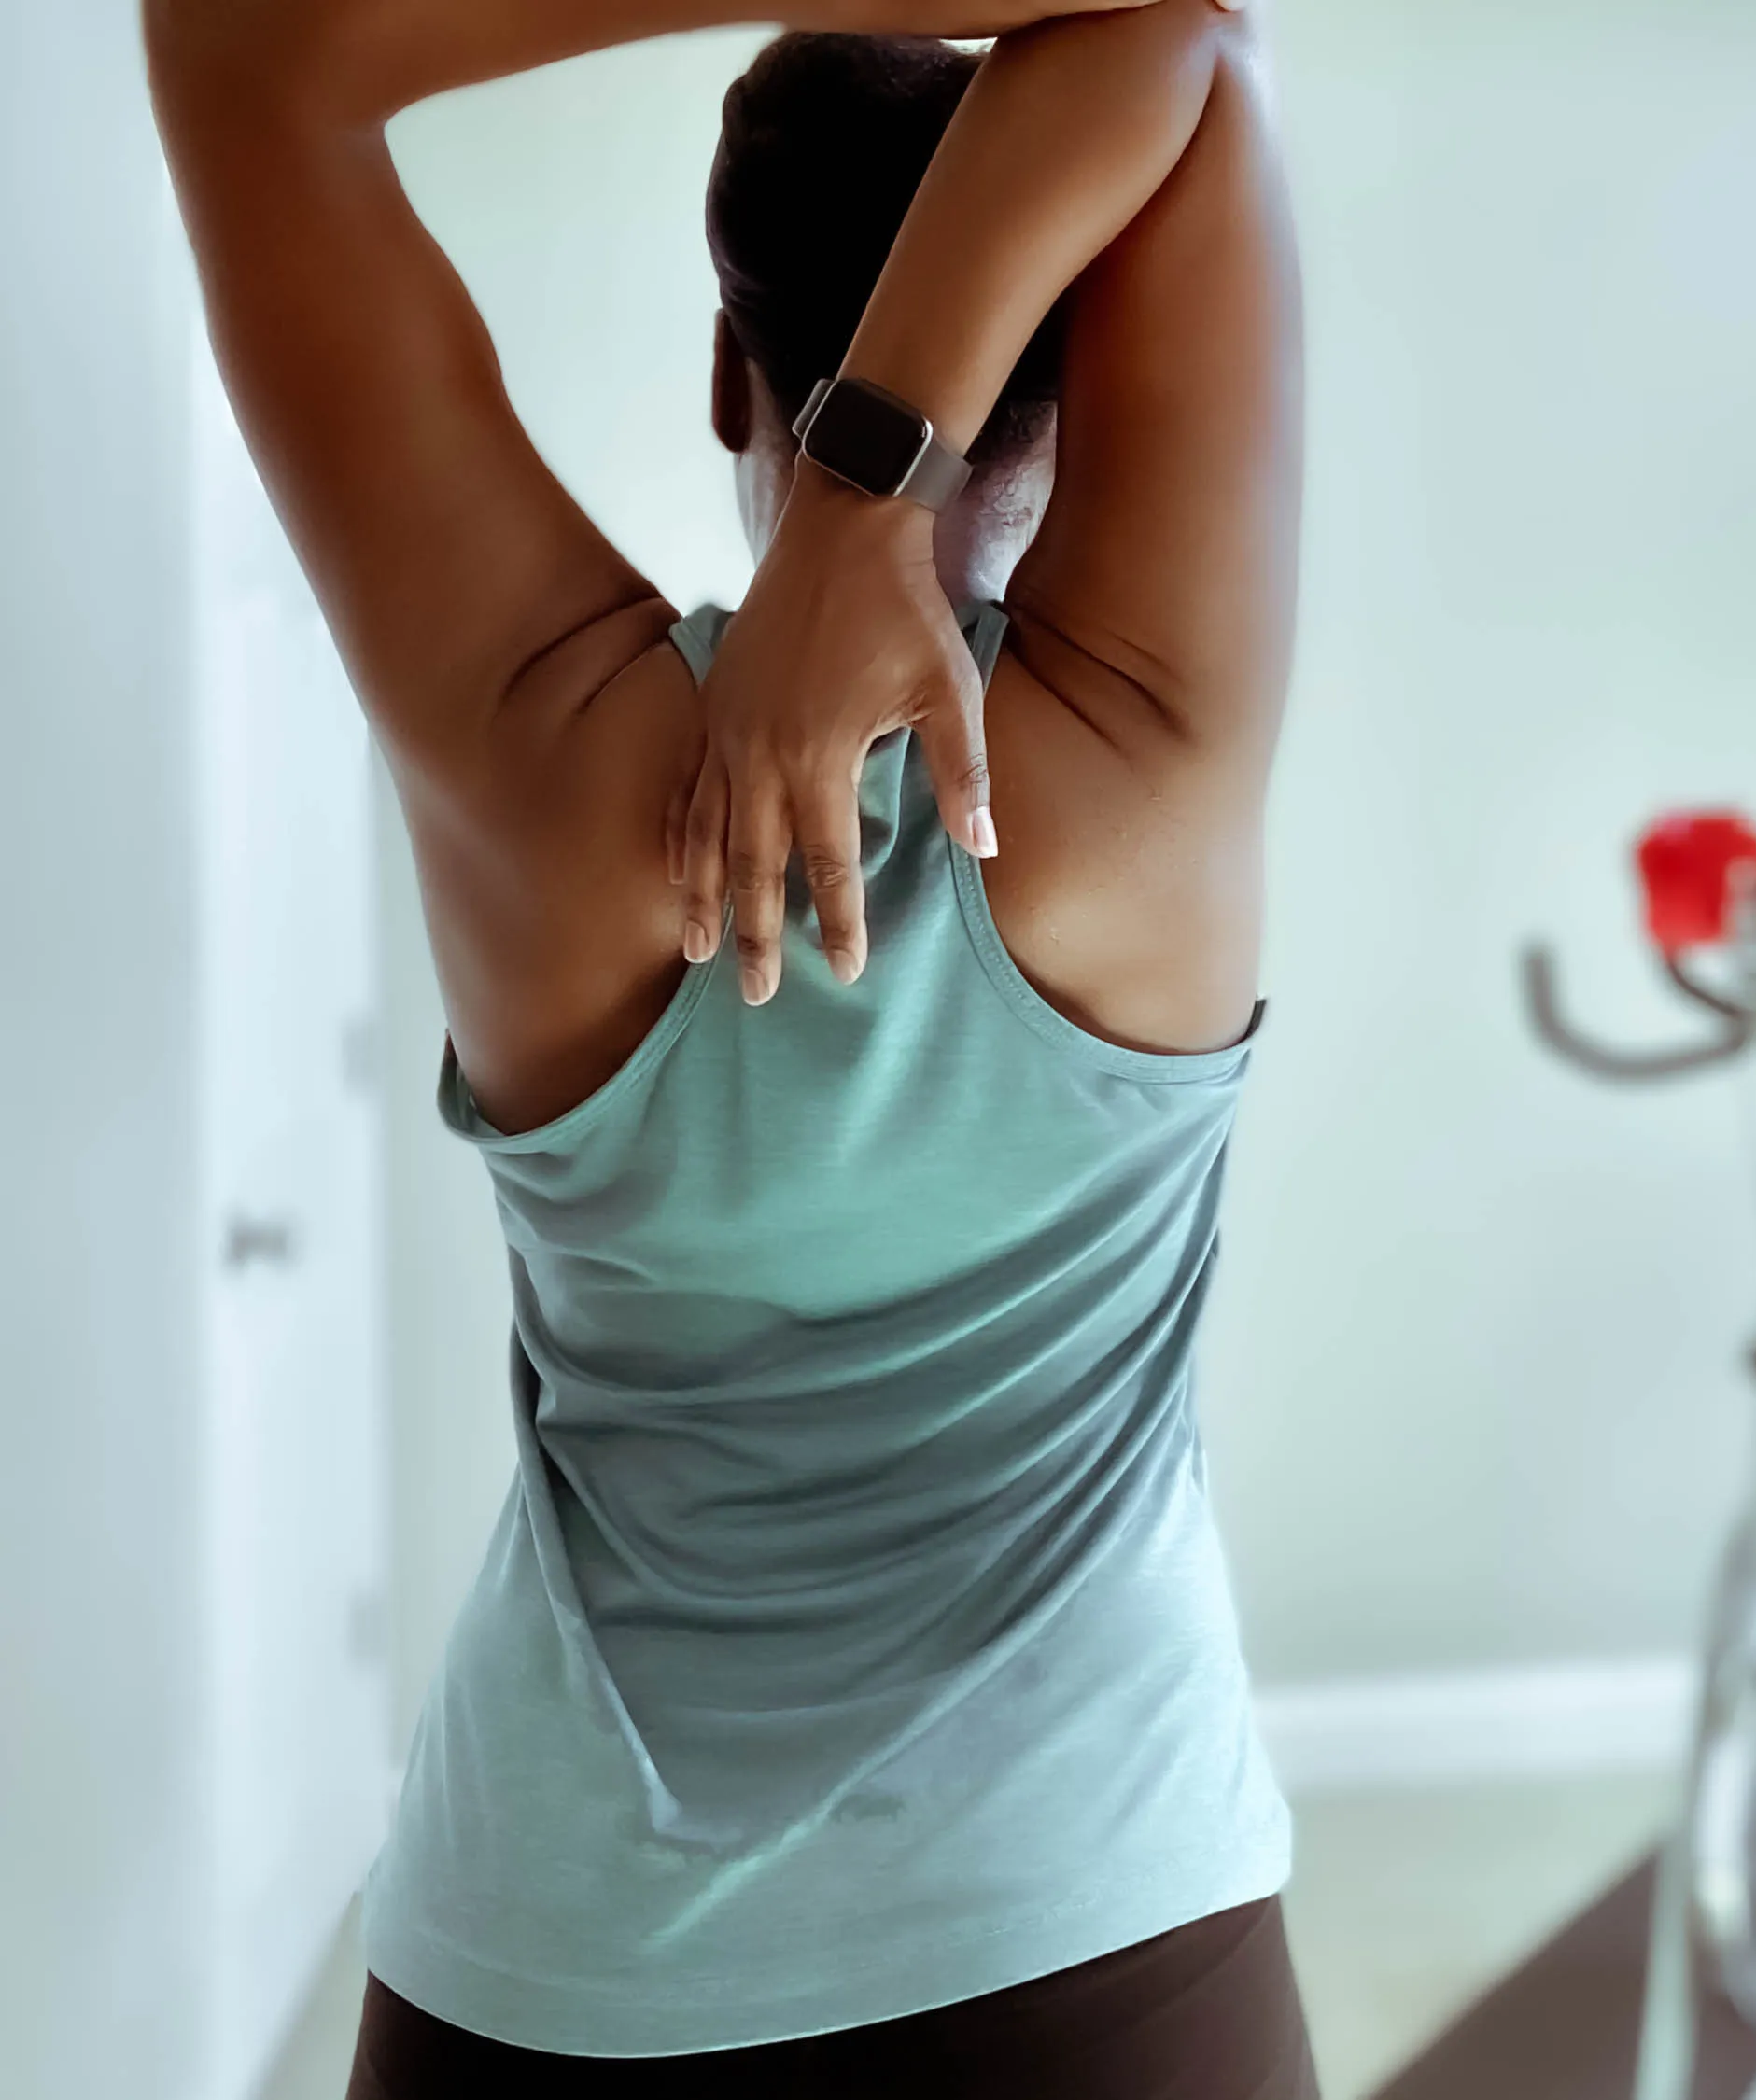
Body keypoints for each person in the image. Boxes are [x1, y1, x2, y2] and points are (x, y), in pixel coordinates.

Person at [147, 0, 1309, 2089]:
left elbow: (243, 54)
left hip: (555, 1958)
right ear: (1075, 382)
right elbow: (1185, 40)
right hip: (1091, 1908)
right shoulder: (1146, 769)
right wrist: (884, 487)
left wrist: (842, 494)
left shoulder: (553, 774)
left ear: (722, 369)